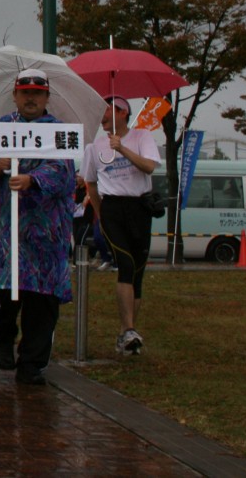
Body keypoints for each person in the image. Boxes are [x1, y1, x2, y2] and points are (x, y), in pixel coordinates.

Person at [0, 69, 76, 386]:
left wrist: (32, 179)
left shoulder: (61, 132)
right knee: (6, 291)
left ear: (46, 97)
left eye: (37, 93)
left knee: (42, 304)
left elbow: (64, 174)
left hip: (47, 237)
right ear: (15, 95)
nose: (30, 98)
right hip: (6, 234)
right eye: (24, 92)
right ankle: (3, 335)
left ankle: (31, 365)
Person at [82, 95, 160, 356]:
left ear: (122, 113)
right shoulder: (94, 147)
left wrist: (123, 148)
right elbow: (90, 183)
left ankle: (128, 332)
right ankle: (128, 330)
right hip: (112, 208)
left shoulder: (141, 137)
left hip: (139, 208)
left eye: (106, 111)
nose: (101, 116)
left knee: (137, 272)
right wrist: (101, 213)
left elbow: (150, 167)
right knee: (124, 264)